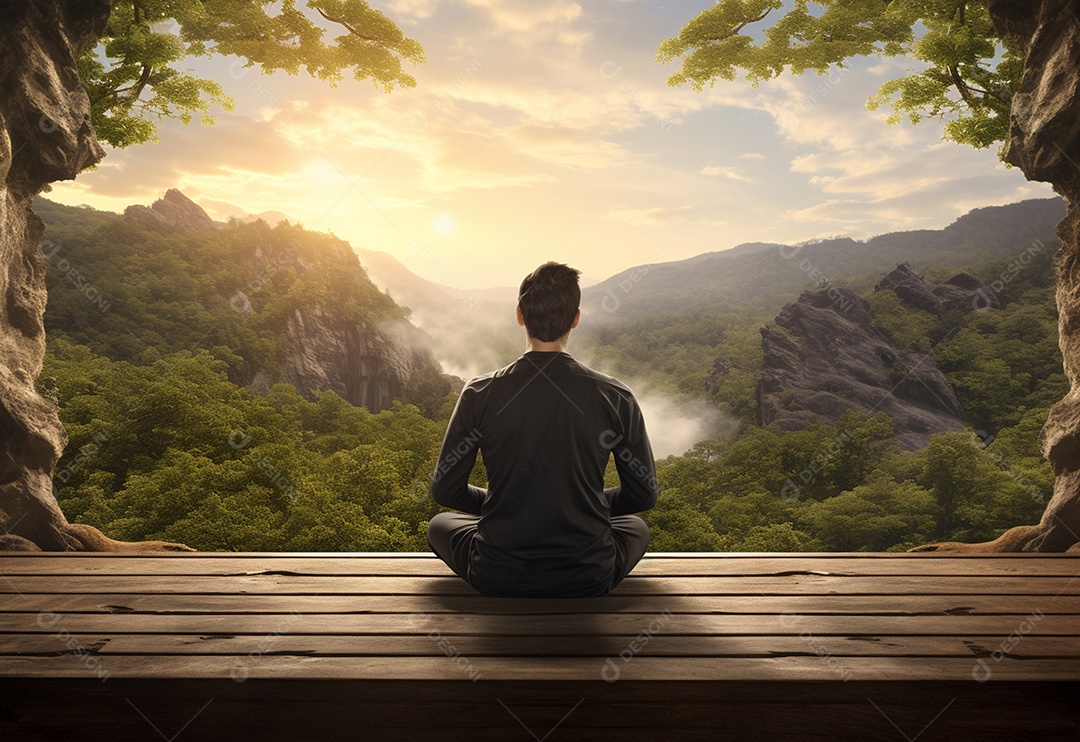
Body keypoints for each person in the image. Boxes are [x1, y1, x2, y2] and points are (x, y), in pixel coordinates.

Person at [426, 261, 657, 598]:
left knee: (440, 525)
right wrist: (578, 503)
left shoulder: (479, 393)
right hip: (589, 574)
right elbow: (643, 495)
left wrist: (509, 503)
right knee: (636, 527)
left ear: (520, 314)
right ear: (575, 318)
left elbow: (445, 490)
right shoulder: (616, 396)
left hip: (498, 572)